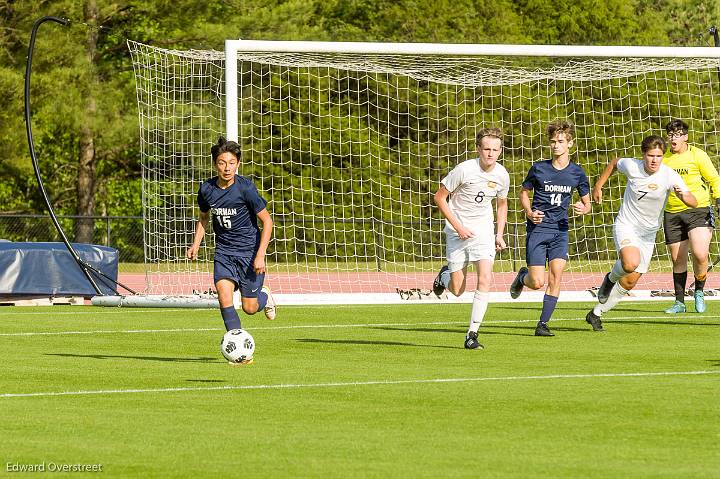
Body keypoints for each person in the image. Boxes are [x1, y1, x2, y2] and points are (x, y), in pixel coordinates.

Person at [589, 135, 696, 326]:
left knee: (630, 281)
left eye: (659, 156)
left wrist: (684, 197)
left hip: (648, 234)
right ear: (643, 155)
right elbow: (614, 163)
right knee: (630, 263)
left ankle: (596, 313)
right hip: (627, 225)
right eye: (650, 155)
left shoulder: (669, 175)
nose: (654, 160)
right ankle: (609, 279)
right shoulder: (632, 166)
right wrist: (598, 185)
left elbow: (693, 201)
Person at [187, 137, 276, 364]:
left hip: (249, 255)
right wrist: (196, 243)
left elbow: (268, 222)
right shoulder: (206, 189)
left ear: (237, 164)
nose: (227, 168)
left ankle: (265, 297)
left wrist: (260, 255)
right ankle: (239, 354)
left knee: (249, 307)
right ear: (215, 164)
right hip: (224, 253)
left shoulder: (245, 188)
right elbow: (204, 218)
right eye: (221, 162)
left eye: (231, 162)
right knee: (223, 296)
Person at [509, 120, 591, 337]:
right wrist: (528, 211)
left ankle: (542, 324)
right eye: (553, 141)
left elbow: (587, 202)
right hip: (538, 229)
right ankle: (522, 277)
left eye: (560, 141)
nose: (556, 145)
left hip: (560, 230)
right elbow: (524, 193)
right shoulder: (538, 168)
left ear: (570, 144)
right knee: (537, 282)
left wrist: (584, 208)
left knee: (556, 275)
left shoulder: (577, 173)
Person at [432, 127, 510, 350]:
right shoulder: (464, 170)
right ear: (478, 149)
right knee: (458, 289)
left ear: (500, 151)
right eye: (486, 149)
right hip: (457, 232)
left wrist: (499, 234)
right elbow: (439, 197)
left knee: (485, 279)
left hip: (483, 232)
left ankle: (472, 334)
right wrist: (458, 226)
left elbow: (502, 204)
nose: (490, 153)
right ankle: (444, 276)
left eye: (495, 149)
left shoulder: (502, 174)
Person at [661, 119, 720, 314]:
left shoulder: (698, 155)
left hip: (699, 209)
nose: (673, 138)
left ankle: (699, 291)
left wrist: (718, 199)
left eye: (677, 135)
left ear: (685, 136)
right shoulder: (663, 157)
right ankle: (679, 302)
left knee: (700, 254)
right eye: (670, 135)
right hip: (672, 212)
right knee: (677, 259)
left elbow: (713, 178)